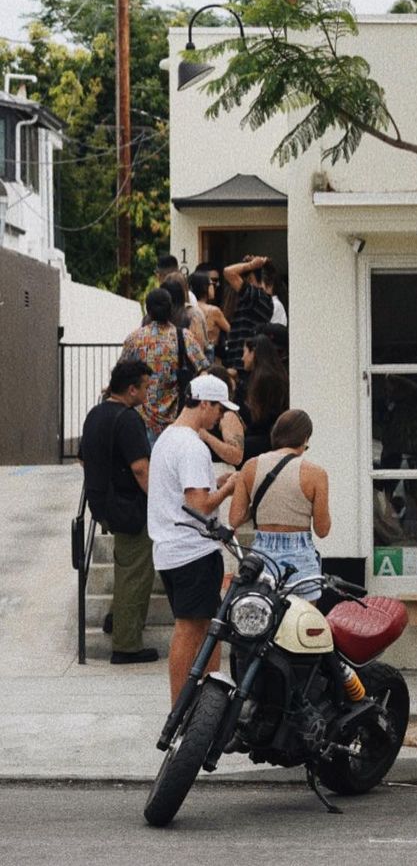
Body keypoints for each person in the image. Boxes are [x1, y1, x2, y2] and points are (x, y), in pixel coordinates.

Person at [147, 373, 239, 703]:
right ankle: (189, 709)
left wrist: (215, 485)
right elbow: (199, 505)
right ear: (204, 404)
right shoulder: (192, 446)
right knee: (194, 631)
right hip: (193, 549)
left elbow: (184, 495)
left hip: (170, 548)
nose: (220, 417)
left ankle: (195, 708)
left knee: (197, 628)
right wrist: (227, 488)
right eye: (219, 409)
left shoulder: (167, 438)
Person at [78, 358, 158, 664]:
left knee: (126, 566)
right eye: (145, 387)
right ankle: (126, 645)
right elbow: (140, 469)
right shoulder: (128, 419)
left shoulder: (95, 414)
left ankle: (117, 619)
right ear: (131, 389)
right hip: (129, 507)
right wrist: (160, 501)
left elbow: (83, 458)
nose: (148, 394)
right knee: (136, 572)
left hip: (103, 505)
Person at [229, 408, 330, 601]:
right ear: (305, 438)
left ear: (276, 434)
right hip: (300, 556)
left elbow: (235, 519)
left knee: (262, 617)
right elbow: (322, 530)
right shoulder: (316, 474)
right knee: (304, 619)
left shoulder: (250, 467)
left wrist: (262, 507)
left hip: (261, 556)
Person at [120, 286, 208, 445]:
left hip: (141, 418)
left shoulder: (134, 338)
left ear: (148, 310)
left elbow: (121, 373)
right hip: (175, 419)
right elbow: (203, 368)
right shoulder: (183, 336)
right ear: (171, 308)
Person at [241, 334, 290, 461]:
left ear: (253, 352)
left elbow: (264, 416)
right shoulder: (273, 373)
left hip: (267, 437)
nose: (242, 358)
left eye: (245, 352)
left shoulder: (264, 378)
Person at [223, 255, 276, 369]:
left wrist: (250, 265)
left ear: (251, 279)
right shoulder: (264, 301)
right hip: (243, 365)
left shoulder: (256, 296)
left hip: (241, 367)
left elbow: (228, 272)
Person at [190, 270, 230, 363]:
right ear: (205, 287)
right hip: (211, 358)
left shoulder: (189, 308)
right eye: (212, 284)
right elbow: (231, 330)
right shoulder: (213, 311)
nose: (216, 286)